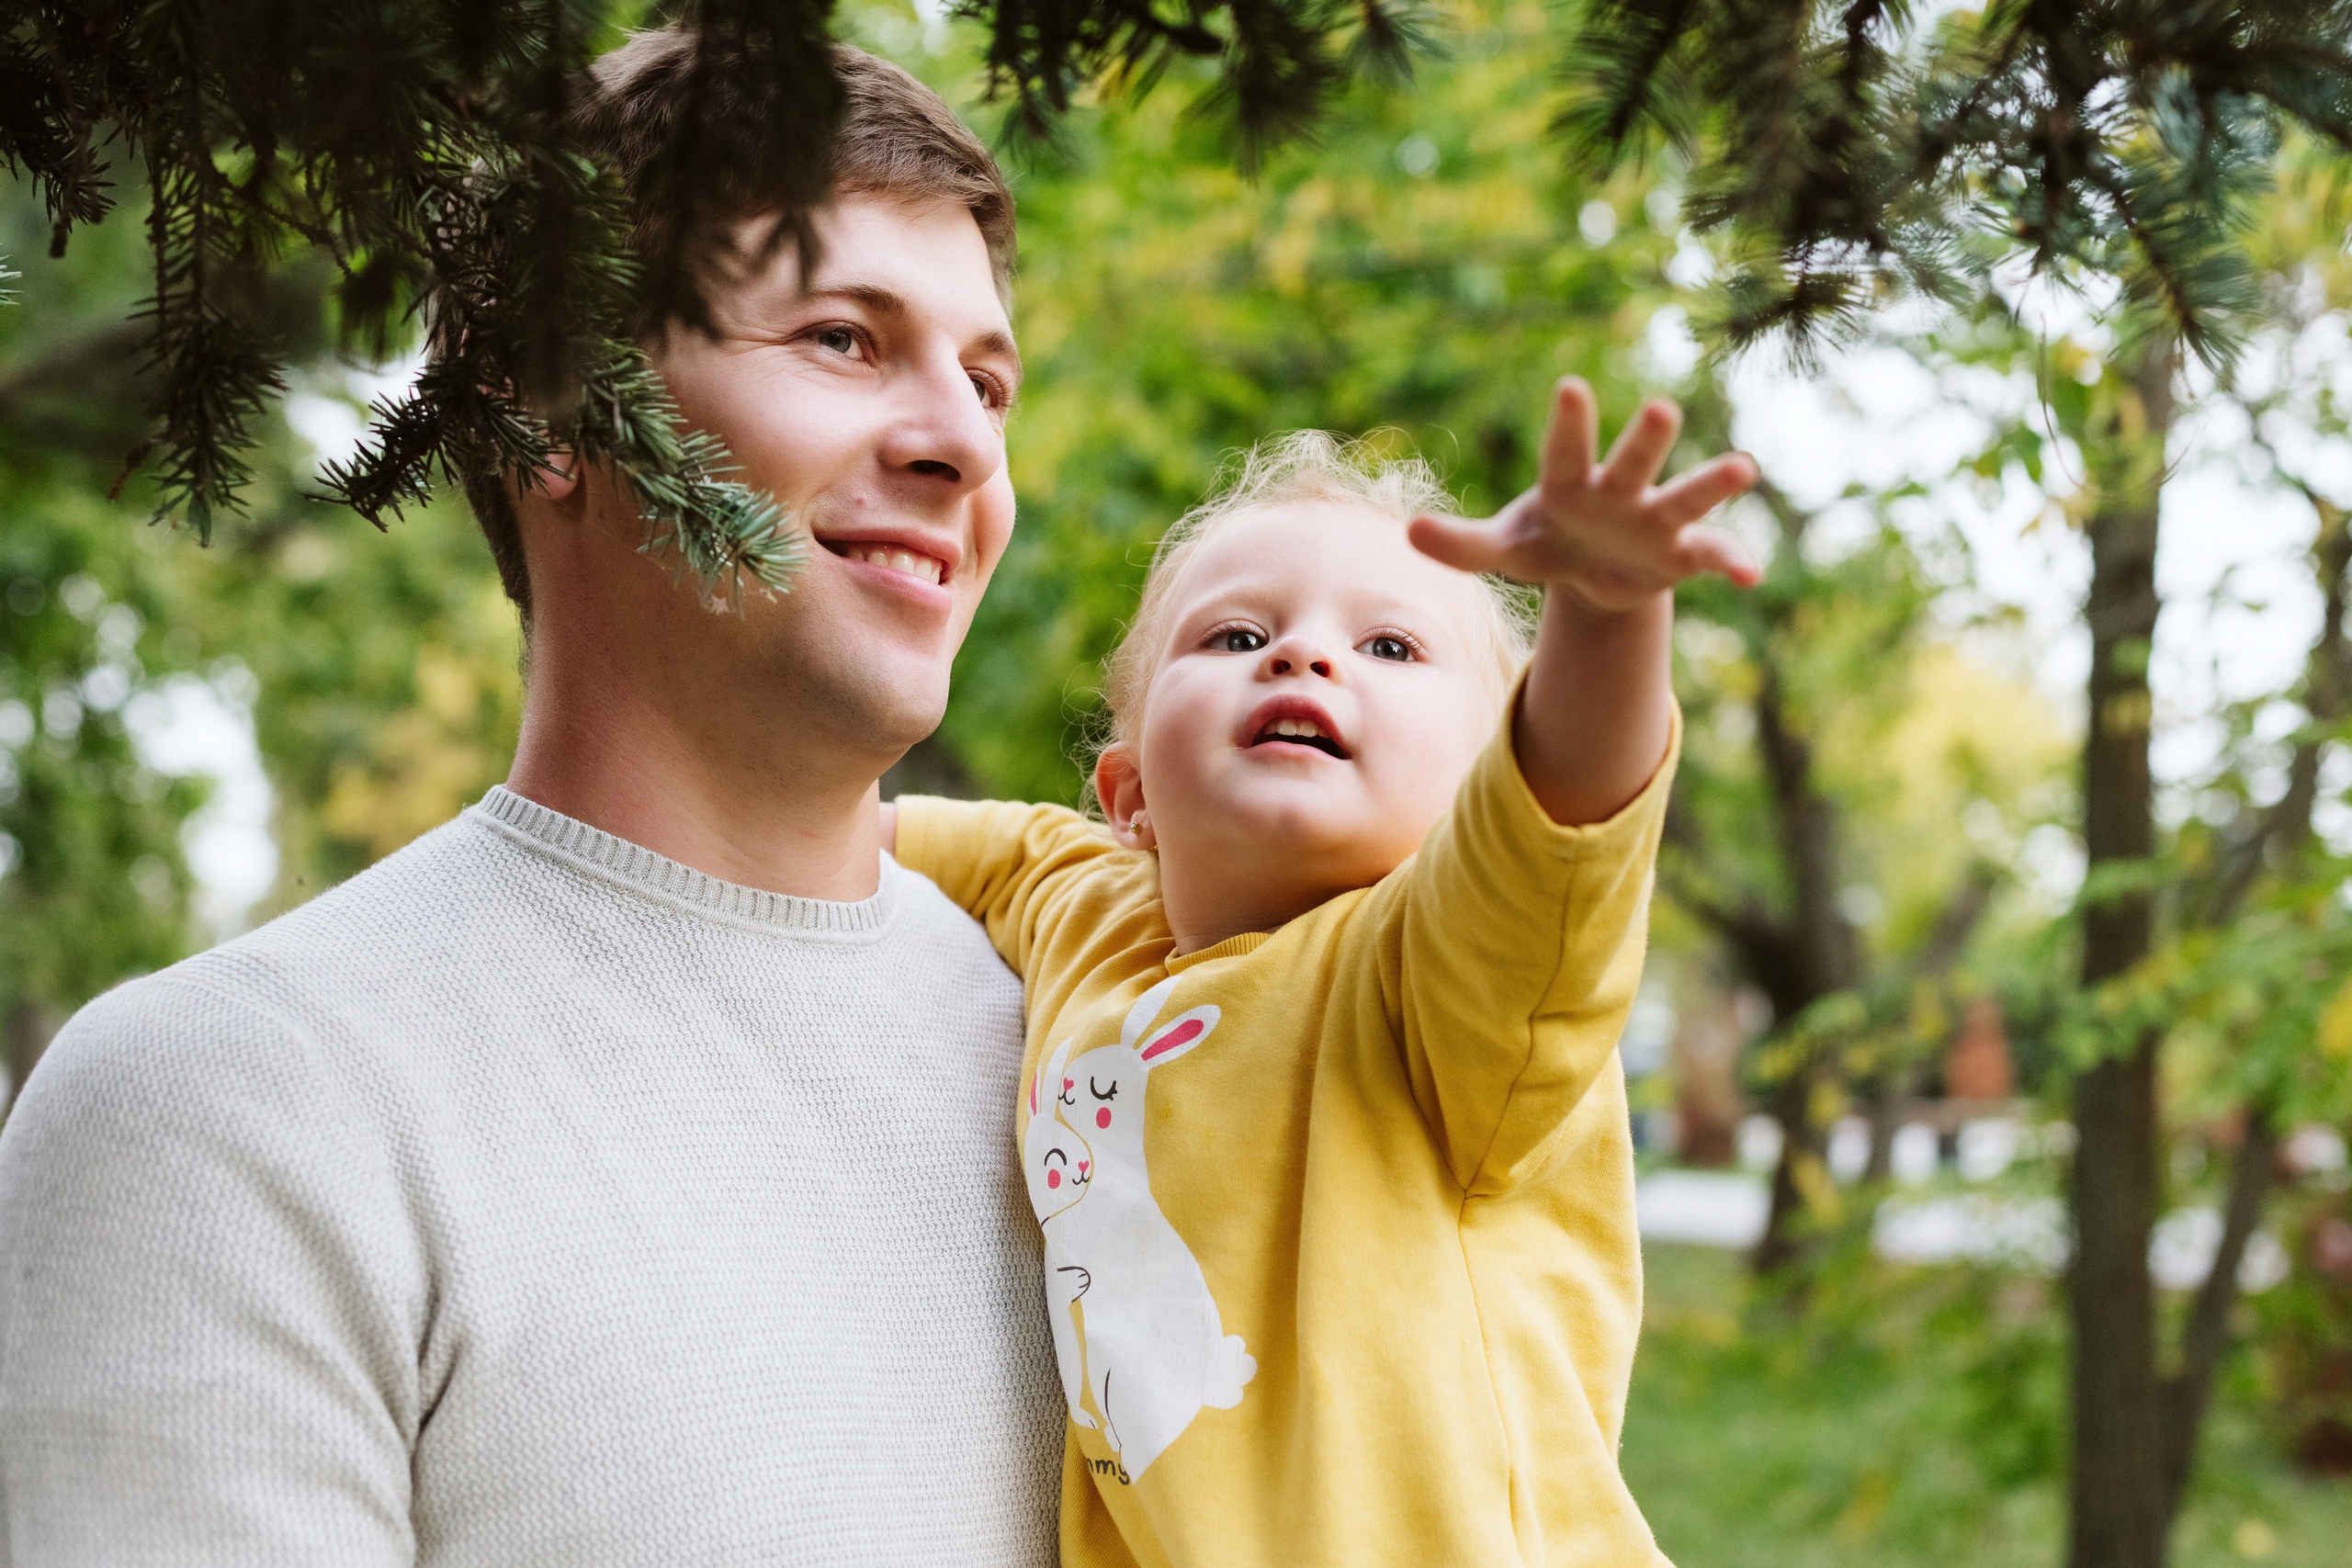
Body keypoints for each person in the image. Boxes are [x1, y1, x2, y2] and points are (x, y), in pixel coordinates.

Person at [0, 31, 1064, 1566]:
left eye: (989, 379)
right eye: (843, 338)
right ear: (553, 412)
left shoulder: (1107, 1050)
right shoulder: (225, 1108)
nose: (963, 443)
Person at [881, 396, 1760, 1566]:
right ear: (1129, 792)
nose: (1302, 654)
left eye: (1390, 647)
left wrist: (1604, 615)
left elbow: (1567, 803)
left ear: (1476, 791)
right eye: (1234, 638)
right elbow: (850, 830)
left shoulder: (1447, 979)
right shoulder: (1084, 908)